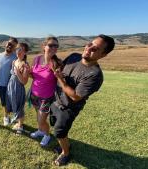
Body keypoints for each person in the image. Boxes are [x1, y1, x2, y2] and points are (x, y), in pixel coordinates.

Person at [50, 34, 115, 166]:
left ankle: (66, 153)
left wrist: (60, 80)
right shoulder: (74, 56)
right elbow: (62, 66)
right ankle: (65, 145)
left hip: (67, 108)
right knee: (57, 128)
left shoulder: (94, 75)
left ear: (103, 55)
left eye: (95, 49)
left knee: (59, 132)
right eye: (90, 44)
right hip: (55, 100)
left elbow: (75, 96)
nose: (88, 48)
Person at [29, 36, 63, 146]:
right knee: (37, 116)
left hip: (46, 97)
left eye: (56, 46)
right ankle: (40, 131)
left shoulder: (57, 63)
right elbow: (34, 76)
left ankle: (47, 135)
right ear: (44, 46)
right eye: (51, 45)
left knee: (41, 120)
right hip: (34, 94)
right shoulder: (37, 59)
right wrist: (26, 71)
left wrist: (60, 76)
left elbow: (61, 81)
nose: (54, 48)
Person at [6, 43, 30, 134]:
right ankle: (18, 122)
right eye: (17, 49)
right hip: (11, 86)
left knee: (20, 107)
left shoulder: (25, 64)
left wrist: (17, 72)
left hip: (18, 88)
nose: (18, 51)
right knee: (13, 104)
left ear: (25, 52)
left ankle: (20, 126)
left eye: (21, 49)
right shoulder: (14, 61)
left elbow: (24, 82)